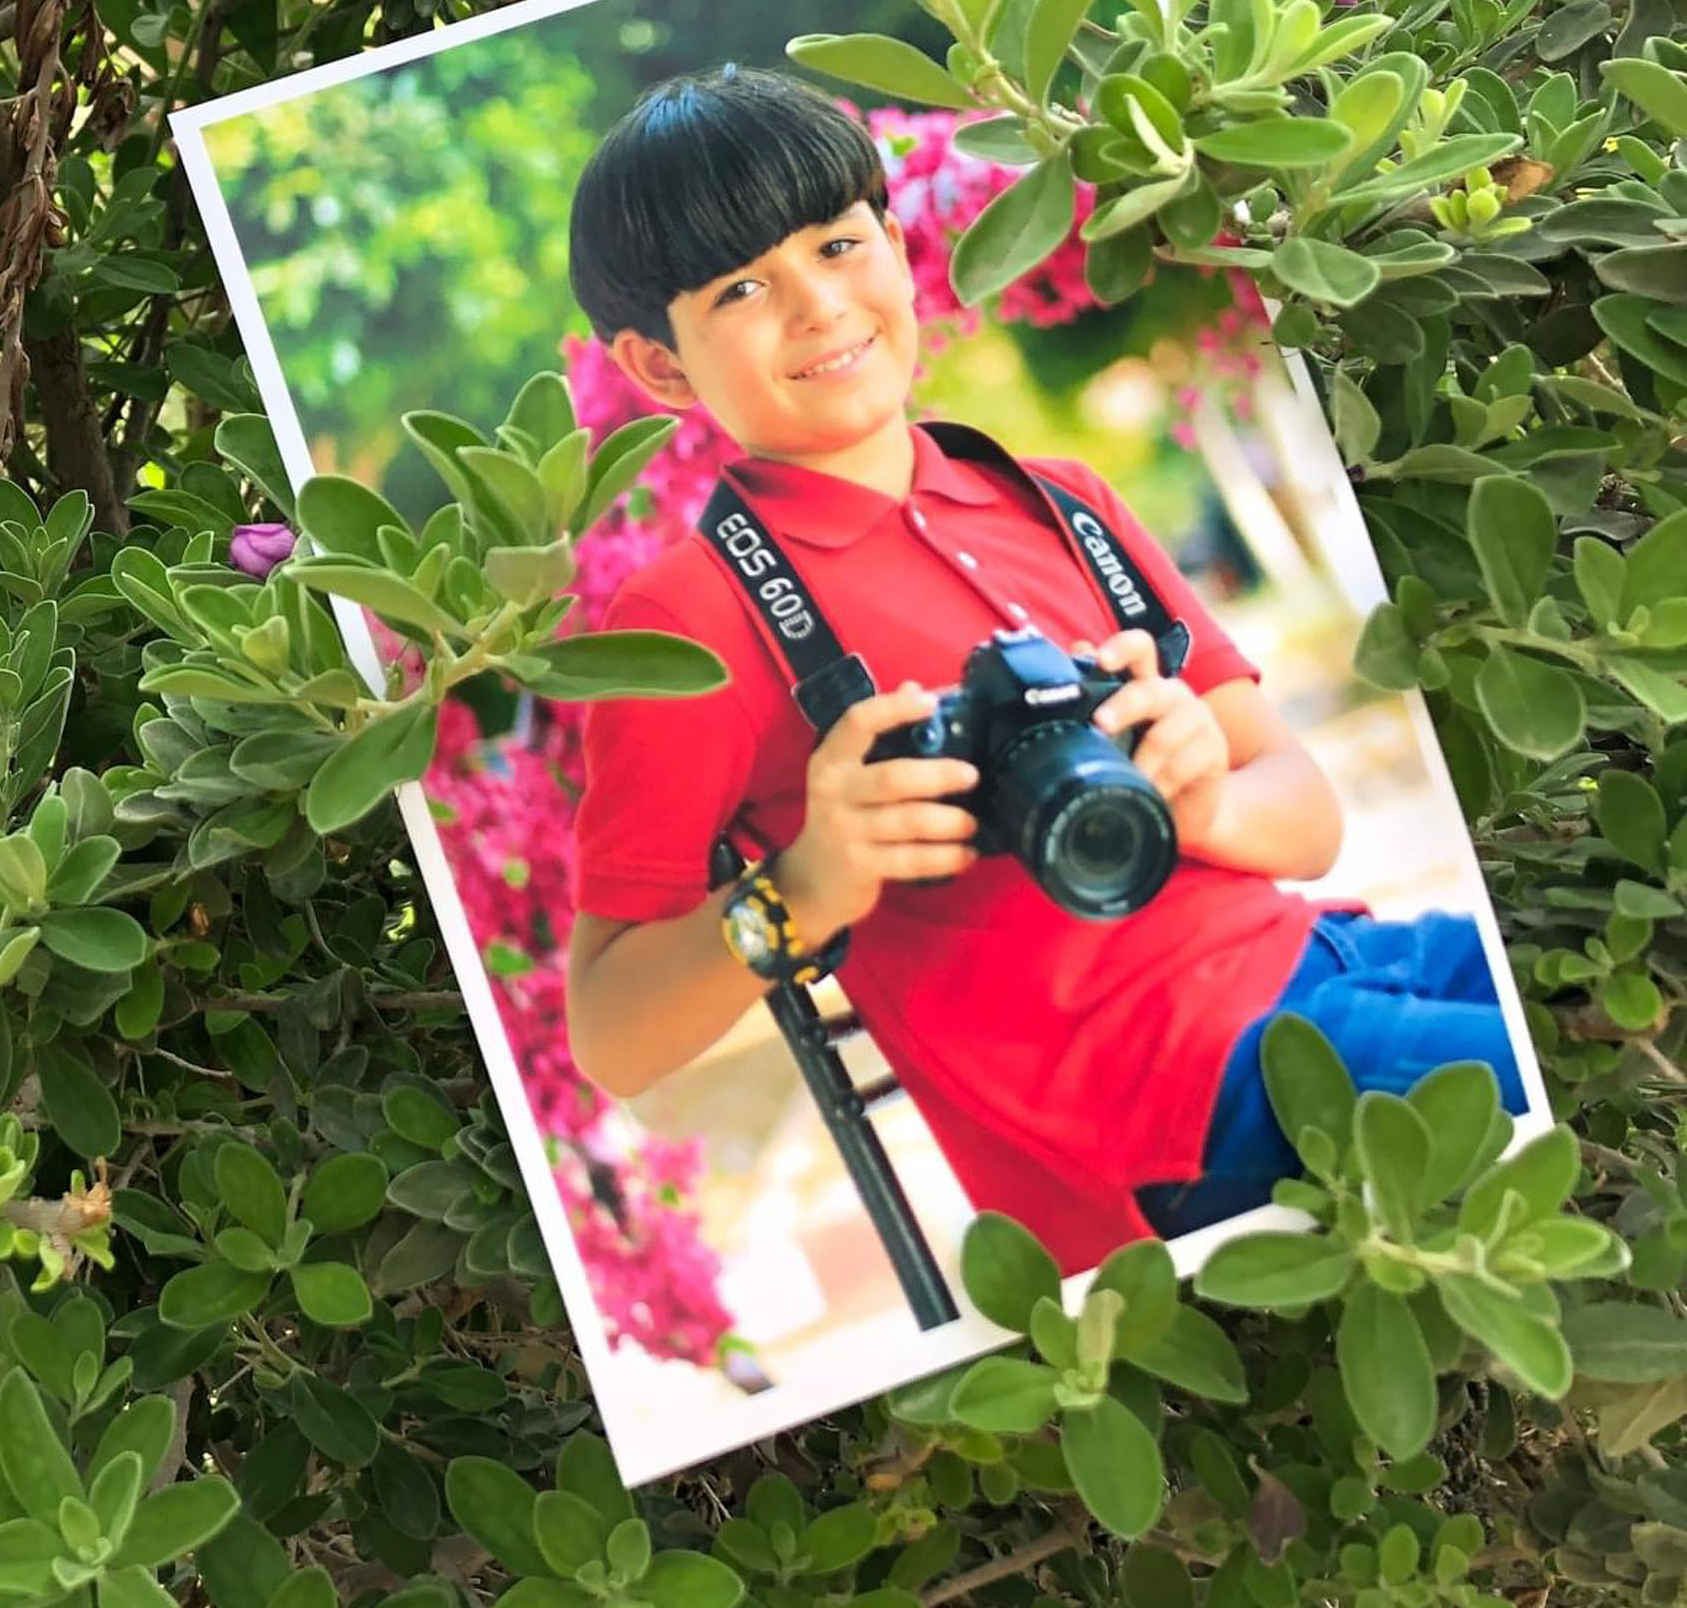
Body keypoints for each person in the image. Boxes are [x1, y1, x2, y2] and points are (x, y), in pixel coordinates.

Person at [559, 67, 1524, 1272]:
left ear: (896, 243)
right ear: (658, 367)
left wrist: (1207, 796)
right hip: (1161, 1115)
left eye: (837, 244)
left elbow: (1309, 819)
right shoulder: (690, 616)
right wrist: (811, 879)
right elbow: (611, 1031)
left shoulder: (1062, 500)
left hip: (1328, 954)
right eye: (743, 287)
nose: (817, 306)